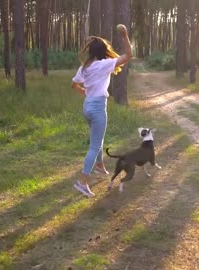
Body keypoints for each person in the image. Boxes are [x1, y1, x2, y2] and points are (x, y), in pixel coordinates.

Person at [71, 26, 132, 197]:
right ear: (104, 51)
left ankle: (99, 166)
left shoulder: (85, 66)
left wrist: (85, 92)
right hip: (97, 107)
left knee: (97, 138)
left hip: (87, 106)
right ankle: (82, 182)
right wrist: (125, 36)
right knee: (94, 145)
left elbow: (74, 84)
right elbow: (129, 56)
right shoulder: (104, 65)